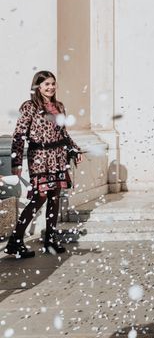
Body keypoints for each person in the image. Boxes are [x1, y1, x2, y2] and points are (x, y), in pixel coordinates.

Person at [4, 71, 83, 259]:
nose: (50, 87)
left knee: (55, 197)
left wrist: (75, 149)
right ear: (38, 86)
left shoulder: (59, 106)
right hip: (39, 157)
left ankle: (50, 239)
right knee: (39, 197)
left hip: (58, 157)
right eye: (46, 84)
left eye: (53, 84)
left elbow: (63, 134)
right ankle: (15, 240)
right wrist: (16, 162)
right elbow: (19, 135)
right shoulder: (29, 106)